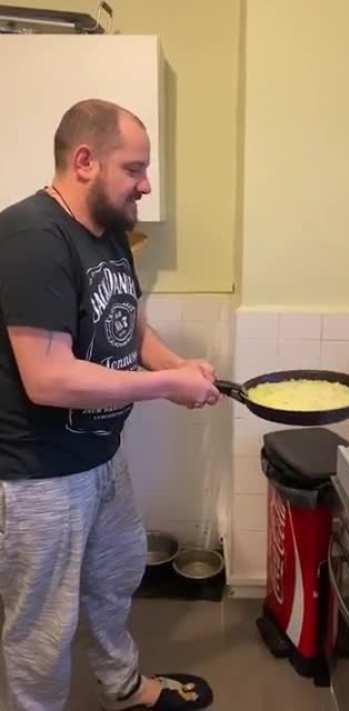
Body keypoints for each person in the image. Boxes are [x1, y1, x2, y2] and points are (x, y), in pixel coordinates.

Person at [0, 98, 222, 711]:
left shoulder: (112, 232)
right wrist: (165, 387)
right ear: (84, 161)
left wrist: (176, 365)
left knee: (115, 577)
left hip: (101, 457)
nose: (145, 184)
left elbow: (131, 328)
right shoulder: (31, 237)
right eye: (134, 168)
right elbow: (47, 378)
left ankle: (124, 689)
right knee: (42, 628)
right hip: (39, 476)